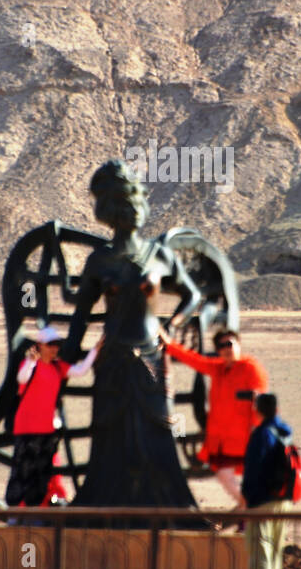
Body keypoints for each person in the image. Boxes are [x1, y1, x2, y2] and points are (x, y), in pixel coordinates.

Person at [60, 160, 203, 508]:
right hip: (112, 360)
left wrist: (171, 327)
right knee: (111, 433)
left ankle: (166, 507)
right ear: (110, 212)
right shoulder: (99, 260)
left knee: (157, 432)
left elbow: (193, 295)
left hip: (152, 357)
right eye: (124, 205)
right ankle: (104, 506)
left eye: (135, 202)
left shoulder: (159, 255)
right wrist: (64, 357)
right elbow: (79, 317)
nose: (131, 212)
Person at [162, 329, 268, 505]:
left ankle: (251, 514)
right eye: (222, 345)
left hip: (244, 438)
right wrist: (169, 345)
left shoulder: (250, 369)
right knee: (226, 476)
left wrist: (258, 430)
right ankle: (249, 512)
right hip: (223, 439)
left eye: (230, 344)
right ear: (218, 350)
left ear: (238, 345)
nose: (227, 348)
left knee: (247, 480)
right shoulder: (218, 369)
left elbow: (261, 402)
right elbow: (195, 360)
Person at [5, 327, 98, 508]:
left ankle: (35, 510)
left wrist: (95, 350)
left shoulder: (58, 367)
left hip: (47, 431)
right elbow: (22, 379)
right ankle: (16, 513)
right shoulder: (31, 364)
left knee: (41, 474)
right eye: (50, 344)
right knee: (22, 472)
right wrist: (31, 362)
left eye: (57, 344)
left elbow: (80, 370)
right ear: (40, 345)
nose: (54, 348)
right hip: (27, 429)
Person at [241, 392, 293, 569]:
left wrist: (248, 499)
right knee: (275, 552)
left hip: (262, 503)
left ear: (258, 411)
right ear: (277, 410)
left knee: (260, 553)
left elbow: (253, 470)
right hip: (283, 501)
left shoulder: (261, 435)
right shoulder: (285, 432)